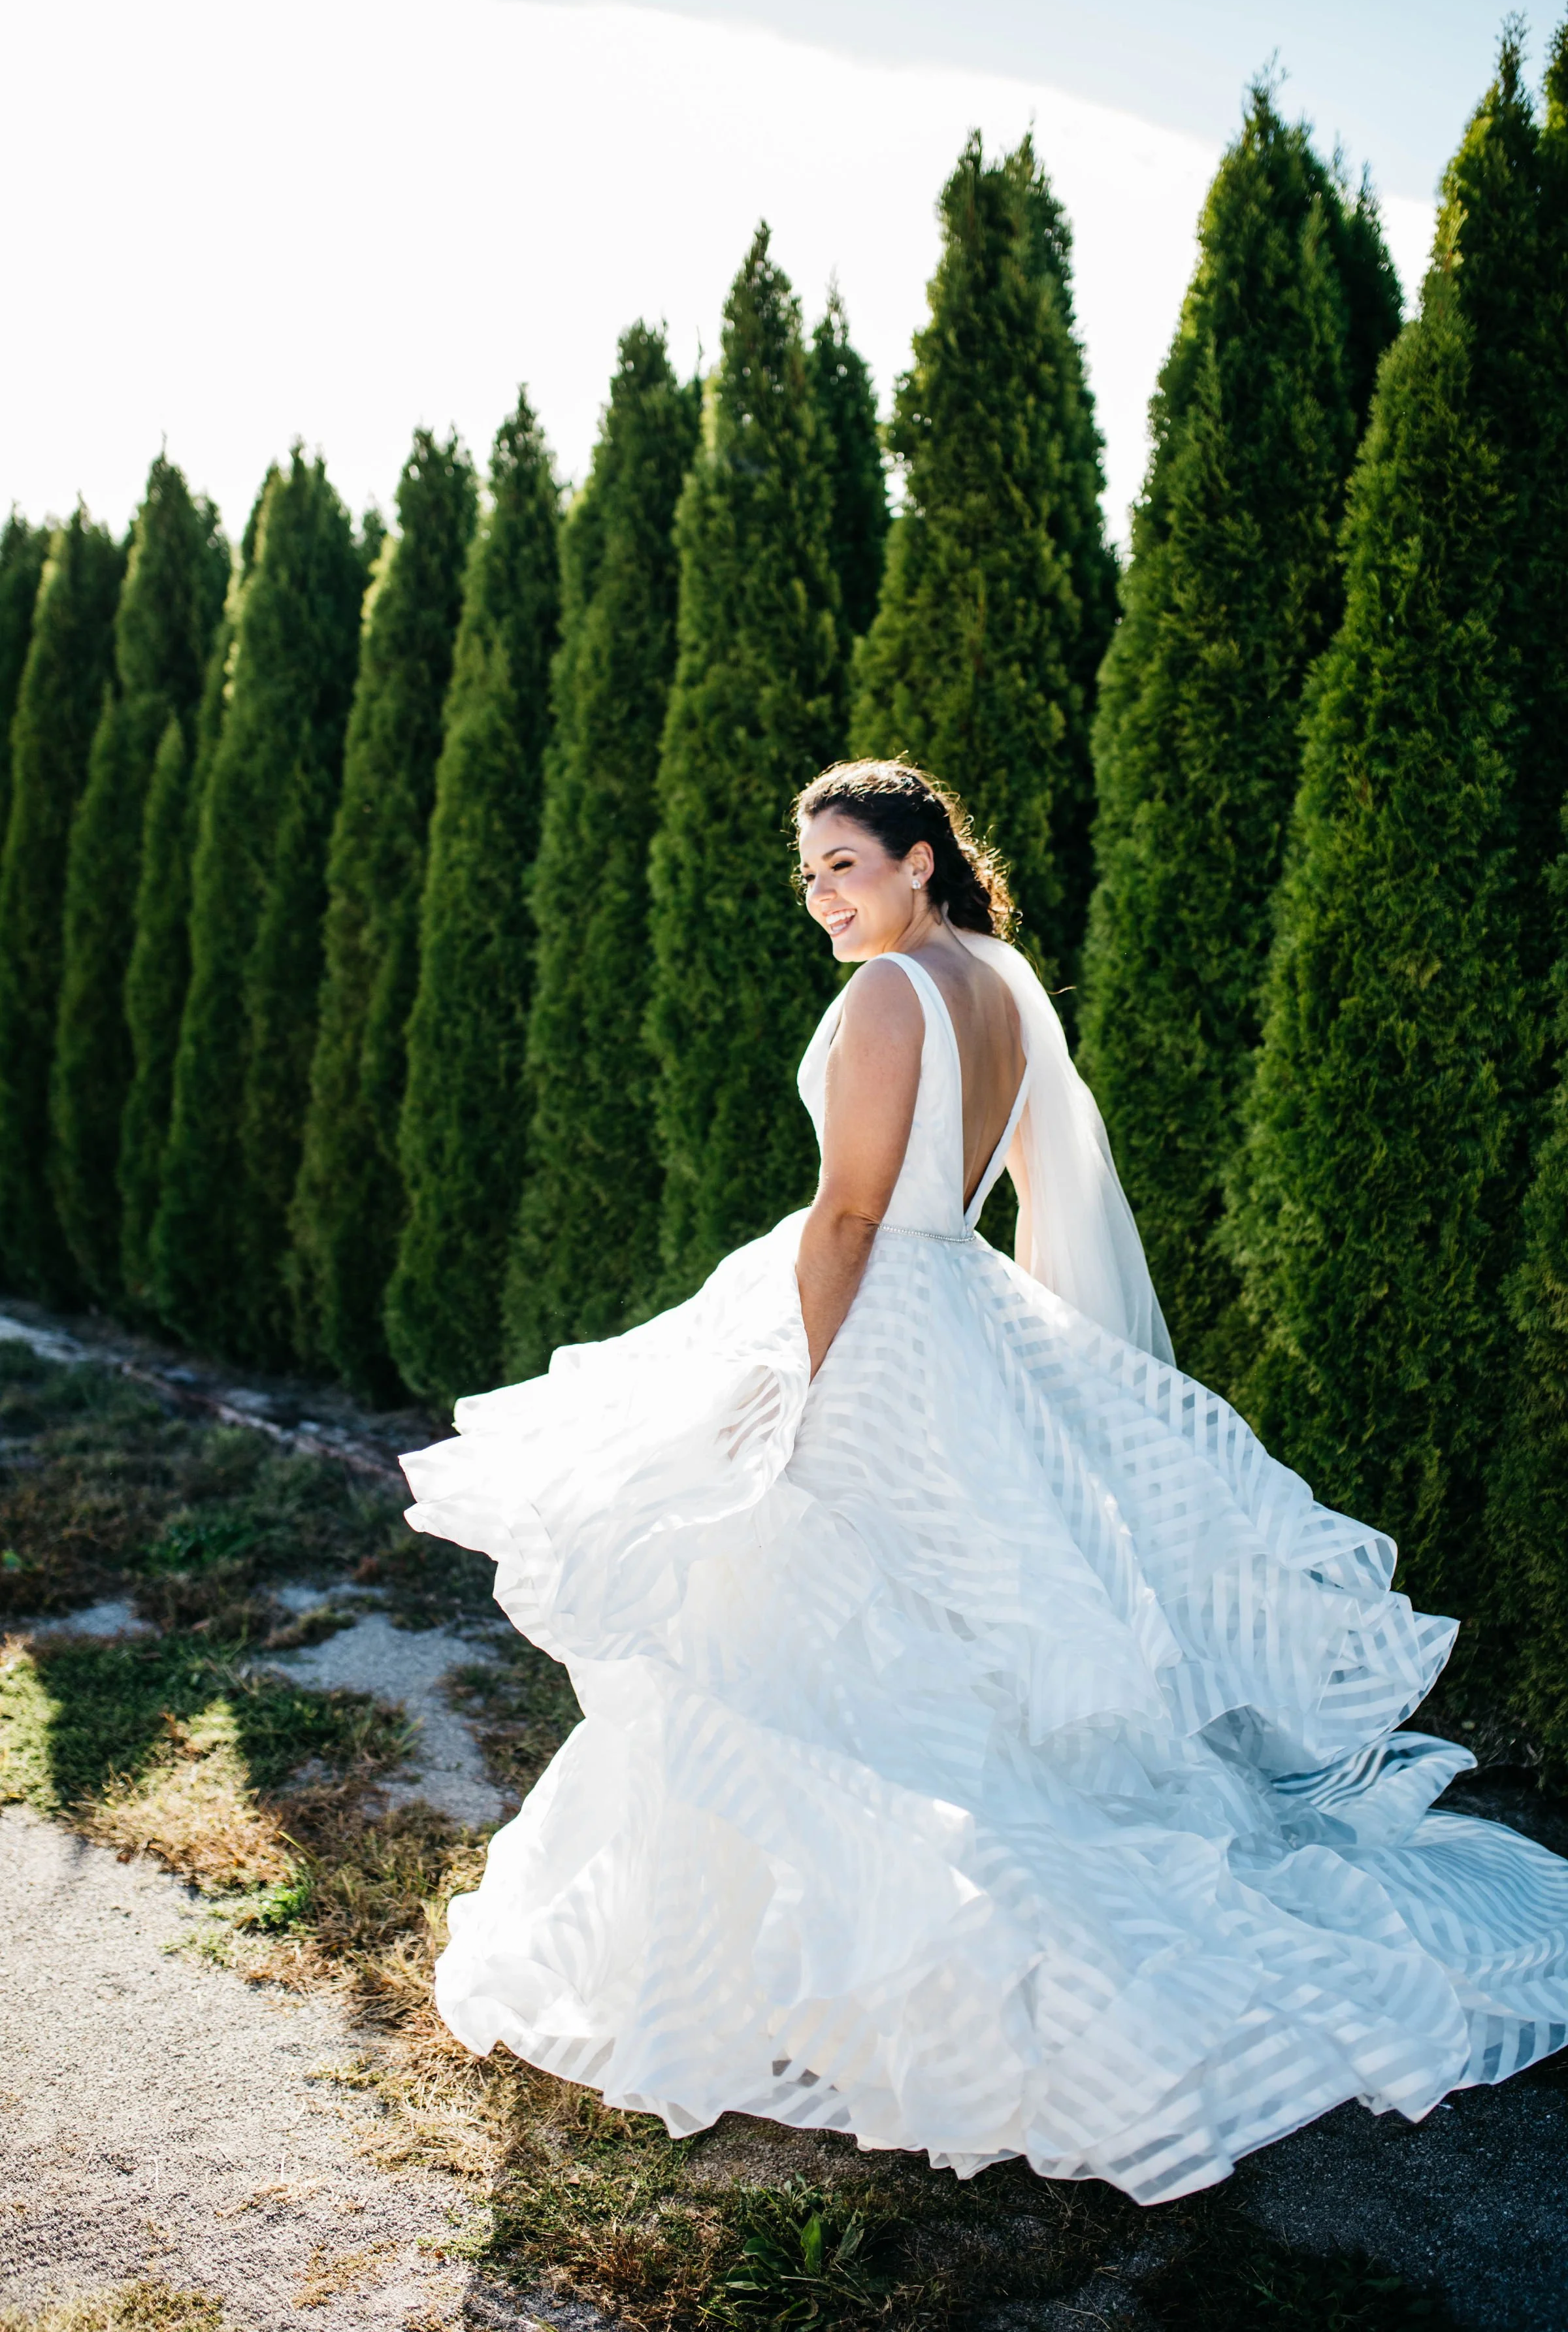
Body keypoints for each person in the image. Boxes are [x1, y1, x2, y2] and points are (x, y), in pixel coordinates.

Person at [401, 759, 1568, 2207]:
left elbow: (846, 1212)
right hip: (956, 1316)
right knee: (945, 1640)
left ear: (919, 863)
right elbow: (1024, 1191)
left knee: (792, 1632)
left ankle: (843, 1972)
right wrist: (1003, 1371)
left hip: (874, 1334)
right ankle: (863, 1946)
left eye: (844, 864)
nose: (822, 895)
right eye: (811, 870)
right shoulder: (1004, 982)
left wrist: (803, 1399)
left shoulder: (891, 996)